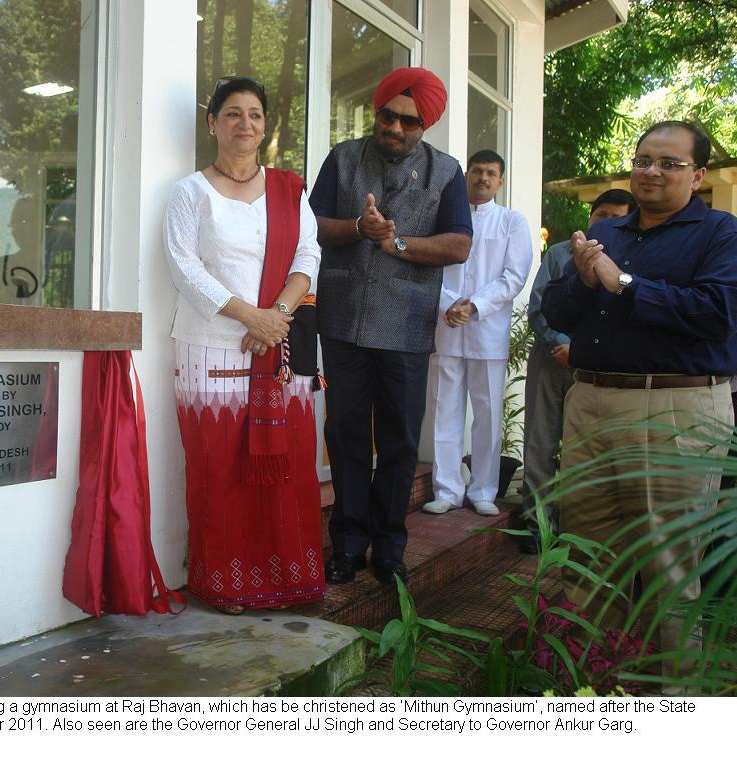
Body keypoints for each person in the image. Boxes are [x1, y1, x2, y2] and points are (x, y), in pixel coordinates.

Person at [542, 120, 737, 677]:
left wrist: (622, 283)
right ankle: (593, 698)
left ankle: (670, 712)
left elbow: (717, 314)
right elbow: (556, 315)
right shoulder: (613, 232)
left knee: (667, 567)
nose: (651, 171)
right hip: (591, 402)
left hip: (675, 408)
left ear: (697, 174)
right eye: (643, 160)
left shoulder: (722, 234)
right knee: (586, 564)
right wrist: (583, 279)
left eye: (669, 163)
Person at [163, 77, 325, 613]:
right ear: (213, 123)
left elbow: (308, 257)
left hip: (277, 345)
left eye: (255, 114)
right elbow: (184, 268)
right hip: (209, 344)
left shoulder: (288, 192)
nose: (245, 124)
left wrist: (276, 316)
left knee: (289, 465)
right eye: (232, 113)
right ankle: (226, 584)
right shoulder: (190, 193)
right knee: (218, 467)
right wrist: (248, 317)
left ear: (265, 125)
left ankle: (288, 577)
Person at [309, 67, 473, 584]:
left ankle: (388, 549)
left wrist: (398, 244)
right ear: (376, 112)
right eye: (388, 115)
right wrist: (358, 227)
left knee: (399, 442)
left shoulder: (446, 172)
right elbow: (307, 226)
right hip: (343, 322)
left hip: (405, 325)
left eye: (409, 120)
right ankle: (347, 544)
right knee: (346, 435)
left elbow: (459, 244)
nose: (396, 127)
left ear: (425, 125)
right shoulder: (342, 158)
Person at [517, 189, 635, 554]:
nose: (605, 222)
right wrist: (563, 344)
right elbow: (538, 306)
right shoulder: (559, 254)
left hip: (598, 367)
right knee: (541, 440)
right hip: (552, 358)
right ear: (590, 216)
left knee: (589, 447)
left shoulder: (630, 262)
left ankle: (577, 528)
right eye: (600, 214)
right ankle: (536, 523)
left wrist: (580, 350)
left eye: (615, 216)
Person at [421, 149, 533, 518]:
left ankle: (484, 488)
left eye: (491, 173)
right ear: (466, 176)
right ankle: (447, 489)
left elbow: (514, 277)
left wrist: (475, 306)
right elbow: (430, 269)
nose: (483, 177)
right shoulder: (445, 220)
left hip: (488, 331)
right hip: (447, 327)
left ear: (500, 181)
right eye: (477, 171)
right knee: (444, 411)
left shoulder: (511, 222)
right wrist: (449, 304)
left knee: (487, 414)